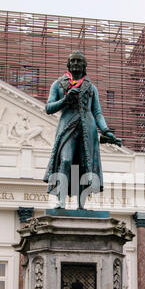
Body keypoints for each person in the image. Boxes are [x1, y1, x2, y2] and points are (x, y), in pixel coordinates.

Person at [43, 50, 119, 209]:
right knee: (66, 160)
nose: (76, 64)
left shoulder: (91, 88)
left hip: (87, 130)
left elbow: (97, 112)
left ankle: (81, 205)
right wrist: (65, 100)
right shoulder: (59, 84)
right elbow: (49, 108)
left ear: (84, 66)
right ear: (68, 64)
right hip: (67, 128)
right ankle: (61, 201)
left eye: (79, 61)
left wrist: (105, 131)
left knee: (84, 165)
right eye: (73, 61)